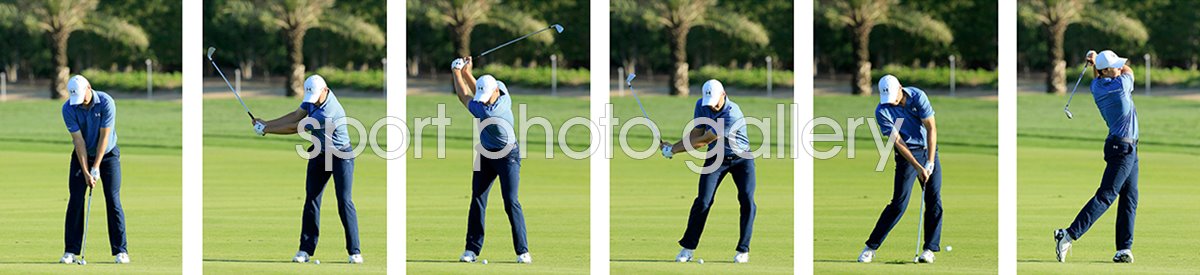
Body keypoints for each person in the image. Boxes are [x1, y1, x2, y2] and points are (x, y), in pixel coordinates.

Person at [252, 75, 363, 264]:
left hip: (340, 155)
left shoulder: (328, 111)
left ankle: (354, 251)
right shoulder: (312, 100)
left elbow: (295, 127)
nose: (313, 101)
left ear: (325, 90)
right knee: (312, 199)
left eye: (316, 96)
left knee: (344, 201)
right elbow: (296, 115)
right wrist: (267, 123)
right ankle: (305, 250)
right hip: (319, 153)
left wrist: (267, 130)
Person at [1054, 50, 1139, 263]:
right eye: (1114, 66)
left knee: (1130, 197)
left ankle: (1123, 249)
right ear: (1106, 71)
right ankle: (1068, 235)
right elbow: (1128, 70)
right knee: (1107, 195)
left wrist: (1096, 62)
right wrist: (1098, 57)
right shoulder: (1121, 86)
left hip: (1124, 147)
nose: (1119, 67)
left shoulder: (1097, 86)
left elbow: (1102, 75)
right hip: (1123, 148)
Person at [660, 79, 757, 264]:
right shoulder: (701, 105)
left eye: (715, 102)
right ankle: (688, 249)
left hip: (741, 159)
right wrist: (673, 147)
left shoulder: (732, 113)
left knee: (747, 200)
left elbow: (704, 140)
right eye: (709, 103)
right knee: (703, 201)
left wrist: (673, 150)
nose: (712, 107)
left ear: (723, 94)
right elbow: (696, 134)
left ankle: (743, 250)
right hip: (716, 158)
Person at [450, 57, 531, 264]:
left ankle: (523, 251)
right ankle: (471, 250)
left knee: (511, 201)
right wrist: (467, 72)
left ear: (495, 92)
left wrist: (457, 72)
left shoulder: (489, 112)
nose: (484, 100)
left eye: (486, 97)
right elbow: (476, 89)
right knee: (478, 199)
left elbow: (463, 95)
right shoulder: (502, 89)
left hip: (507, 156)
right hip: (485, 154)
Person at [857, 75, 942, 263]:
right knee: (899, 203)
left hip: (928, 150)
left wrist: (930, 162)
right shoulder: (882, 111)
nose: (891, 102)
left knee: (934, 199)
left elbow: (931, 128)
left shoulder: (918, 96)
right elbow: (898, 142)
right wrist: (918, 167)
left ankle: (929, 249)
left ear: (900, 88)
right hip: (907, 154)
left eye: (893, 97)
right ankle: (870, 247)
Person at [59, 75, 130, 264]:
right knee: (75, 199)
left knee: (113, 199)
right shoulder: (68, 108)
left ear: (89, 88)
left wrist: (96, 167)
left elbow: (104, 137)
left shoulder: (106, 102)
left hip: (108, 155)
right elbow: (78, 141)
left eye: (82, 96)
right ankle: (70, 251)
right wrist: (86, 171)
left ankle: (121, 251)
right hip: (82, 155)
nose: (80, 102)